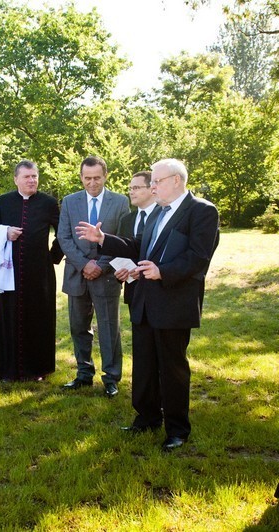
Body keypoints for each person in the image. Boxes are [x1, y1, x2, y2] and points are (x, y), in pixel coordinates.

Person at [76, 158, 219, 451]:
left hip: (174, 302)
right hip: (144, 300)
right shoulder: (158, 213)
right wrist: (104, 238)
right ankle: (147, 418)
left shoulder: (201, 211)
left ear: (176, 181)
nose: (152, 186)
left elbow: (199, 256)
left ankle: (177, 429)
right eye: (152, 182)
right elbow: (138, 246)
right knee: (144, 365)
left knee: (172, 368)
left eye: (157, 181)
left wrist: (163, 271)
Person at [57, 155, 130, 398]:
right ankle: (83, 374)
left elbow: (123, 240)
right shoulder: (69, 201)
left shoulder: (120, 202)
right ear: (81, 177)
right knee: (79, 327)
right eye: (87, 178)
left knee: (109, 328)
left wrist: (99, 264)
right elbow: (63, 237)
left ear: (105, 176)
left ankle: (111, 378)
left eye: (96, 178)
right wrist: (83, 264)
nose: (92, 183)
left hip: (106, 275)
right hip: (77, 274)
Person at [0, 160, 63, 382]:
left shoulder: (48, 202)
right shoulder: (3, 201)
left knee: (39, 318)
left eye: (35, 176)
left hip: (39, 273)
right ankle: (7, 369)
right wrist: (6, 231)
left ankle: (38, 368)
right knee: (9, 317)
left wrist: (52, 258)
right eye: (27, 177)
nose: (32, 180)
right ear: (16, 179)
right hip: (10, 272)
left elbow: (62, 233)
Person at [115, 171, 160, 305]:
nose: (131, 192)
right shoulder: (126, 220)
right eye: (130, 188)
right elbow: (120, 250)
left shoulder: (164, 216)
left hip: (159, 291)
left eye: (136, 188)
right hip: (133, 292)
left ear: (152, 189)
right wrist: (120, 272)